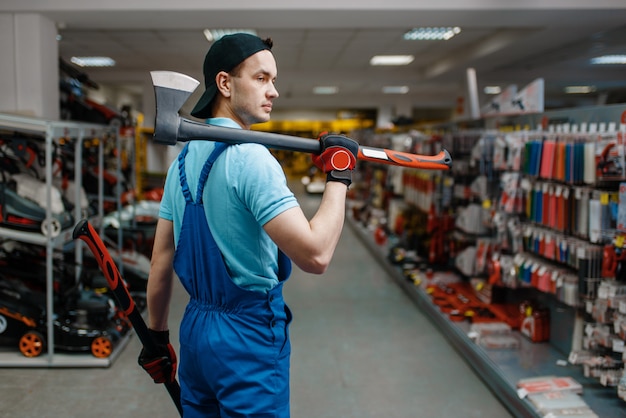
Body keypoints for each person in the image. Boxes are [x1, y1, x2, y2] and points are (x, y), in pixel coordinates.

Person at [138, 33, 359, 417]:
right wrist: (339, 177)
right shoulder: (252, 159)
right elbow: (316, 254)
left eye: (273, 80)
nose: (273, 91)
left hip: (195, 334)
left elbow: (161, 259)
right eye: (261, 78)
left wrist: (158, 337)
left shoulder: (181, 164)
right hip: (247, 335)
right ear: (224, 83)